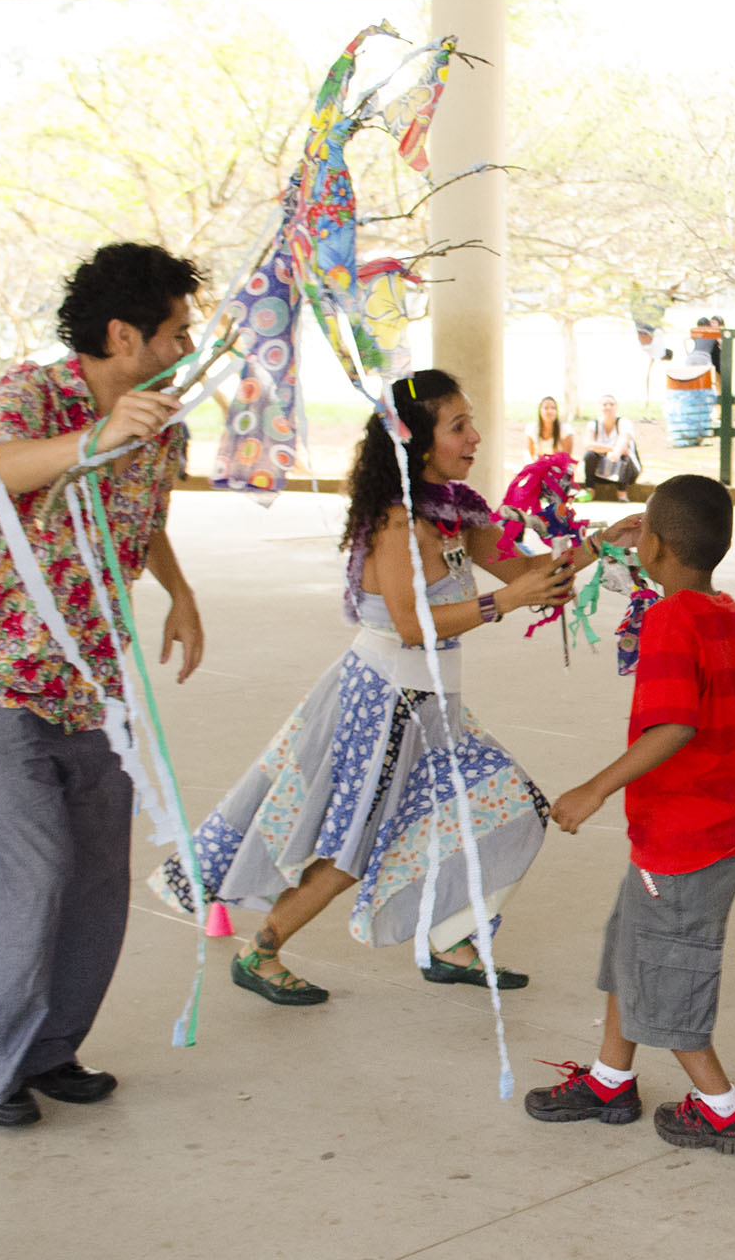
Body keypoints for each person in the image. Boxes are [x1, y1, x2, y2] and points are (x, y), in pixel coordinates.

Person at [151, 371, 582, 1004]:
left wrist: (606, 546)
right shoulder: (397, 523)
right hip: (385, 703)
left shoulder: (458, 510)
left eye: (471, 422)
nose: (475, 436)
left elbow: (528, 572)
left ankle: (450, 937)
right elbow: (412, 628)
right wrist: (505, 602)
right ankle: (262, 951)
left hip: (433, 706)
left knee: (505, 804)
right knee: (352, 843)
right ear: (417, 440)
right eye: (458, 426)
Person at [0, 242, 207, 1127]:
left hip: (93, 679)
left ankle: (49, 1049)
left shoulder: (163, 422)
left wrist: (180, 591)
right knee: (33, 867)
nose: (186, 347)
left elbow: (144, 515)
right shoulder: (30, 395)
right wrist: (96, 436)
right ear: (123, 335)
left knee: (96, 875)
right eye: (174, 332)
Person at [527, 474, 735, 1155]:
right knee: (631, 953)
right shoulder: (729, 615)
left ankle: (722, 1108)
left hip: (682, 841)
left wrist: (594, 788)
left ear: (656, 546)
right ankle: (610, 1079)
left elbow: (674, 727)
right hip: (716, 833)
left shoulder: (670, 621)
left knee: (668, 975)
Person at [581, 394, 641, 501]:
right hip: (601, 470)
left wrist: (616, 452)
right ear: (599, 407)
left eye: (611, 404)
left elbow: (623, 441)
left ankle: (622, 494)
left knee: (625, 457)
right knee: (589, 455)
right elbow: (589, 444)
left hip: (626, 469)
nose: (608, 407)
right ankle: (590, 490)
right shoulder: (593, 424)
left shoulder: (624, 422)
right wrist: (611, 449)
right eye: (605, 404)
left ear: (616, 407)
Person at [526, 394, 573, 462]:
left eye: (553, 408)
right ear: (540, 411)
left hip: (560, 466)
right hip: (540, 465)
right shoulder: (532, 428)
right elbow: (532, 455)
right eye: (546, 408)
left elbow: (566, 457)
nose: (550, 411)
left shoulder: (566, 429)